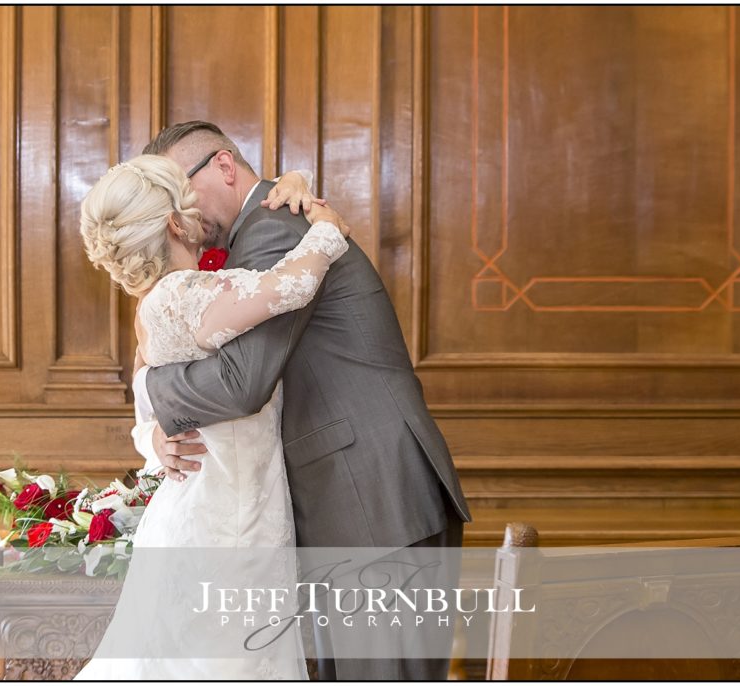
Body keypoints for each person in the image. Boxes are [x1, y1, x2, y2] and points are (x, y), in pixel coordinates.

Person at [136, 121, 472, 680]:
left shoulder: (270, 228)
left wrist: (147, 388)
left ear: (223, 167)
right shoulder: (263, 224)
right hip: (358, 500)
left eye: (182, 191)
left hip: (370, 497)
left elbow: (244, 382)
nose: (182, 213)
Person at [73, 154, 350, 680]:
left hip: (201, 511)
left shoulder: (155, 304)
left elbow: (144, 401)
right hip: (227, 525)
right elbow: (289, 286)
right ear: (176, 223)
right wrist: (327, 229)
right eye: (189, 199)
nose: (202, 208)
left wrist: (153, 440)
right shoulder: (184, 296)